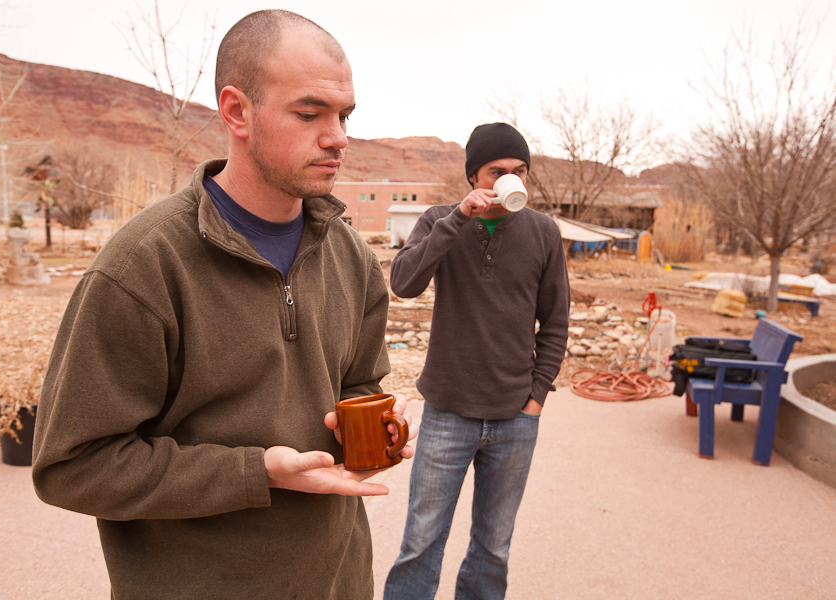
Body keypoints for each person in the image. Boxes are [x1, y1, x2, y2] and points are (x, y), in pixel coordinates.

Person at [32, 10, 415, 600]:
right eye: (310, 113)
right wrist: (253, 473)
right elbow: (72, 465)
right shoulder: (143, 265)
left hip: (337, 581)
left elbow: (360, 385)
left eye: (345, 115)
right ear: (237, 111)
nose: (338, 136)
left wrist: (372, 430)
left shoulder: (351, 257)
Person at [383, 122, 569, 600]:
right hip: (448, 414)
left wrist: (536, 399)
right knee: (420, 544)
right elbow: (402, 283)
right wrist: (457, 221)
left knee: (493, 548)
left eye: (520, 171)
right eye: (498, 172)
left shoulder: (544, 231)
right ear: (473, 178)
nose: (512, 181)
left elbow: (555, 323)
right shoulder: (440, 220)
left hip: (515, 419)